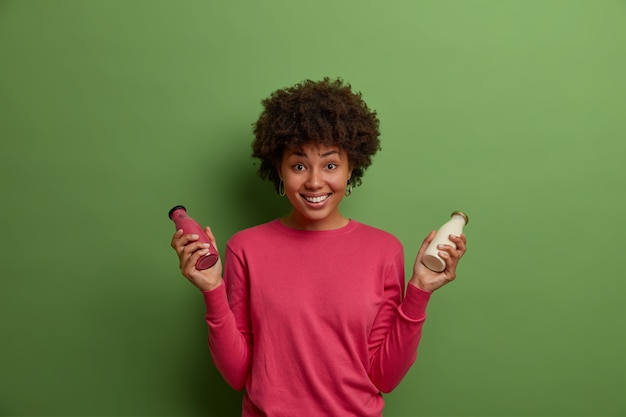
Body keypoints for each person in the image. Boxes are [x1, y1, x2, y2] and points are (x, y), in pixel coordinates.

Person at [170, 77, 467, 417]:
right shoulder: (245, 248)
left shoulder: (384, 250)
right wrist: (212, 290)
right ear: (278, 170)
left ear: (351, 167)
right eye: (298, 166)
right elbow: (238, 374)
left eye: (330, 165)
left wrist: (420, 291)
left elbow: (385, 376)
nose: (314, 181)